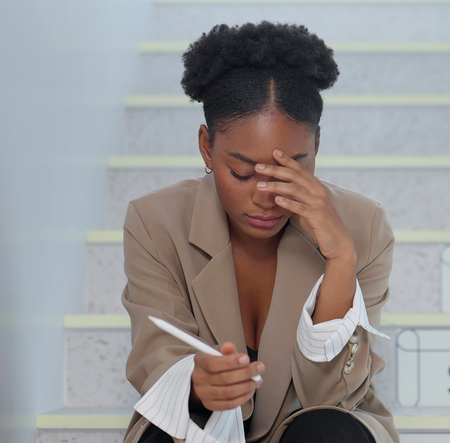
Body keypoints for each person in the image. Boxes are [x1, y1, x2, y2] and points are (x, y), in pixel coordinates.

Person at [121, 21, 398, 443]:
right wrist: (195, 382)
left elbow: (331, 397)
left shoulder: (363, 226)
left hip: (314, 427)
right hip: (202, 428)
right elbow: (156, 355)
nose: (266, 197)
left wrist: (341, 260)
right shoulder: (155, 221)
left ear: (317, 145)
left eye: (292, 169)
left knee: (329, 433)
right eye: (243, 172)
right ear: (206, 147)